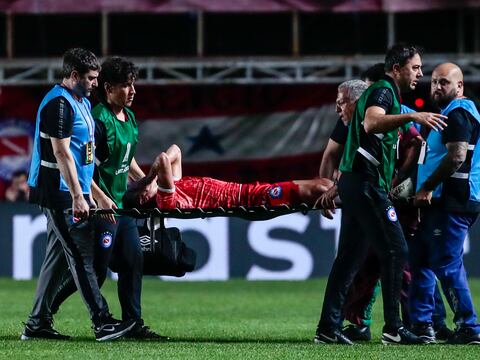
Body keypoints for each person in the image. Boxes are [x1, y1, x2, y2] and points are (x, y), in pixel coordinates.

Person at [314, 43, 448, 345]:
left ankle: (327, 327)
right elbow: (372, 123)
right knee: (397, 251)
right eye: (415, 68)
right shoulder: (384, 91)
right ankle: (394, 328)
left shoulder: (385, 93)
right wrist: (414, 117)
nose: (420, 74)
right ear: (397, 68)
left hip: (357, 182)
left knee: (349, 258)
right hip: (365, 184)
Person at [44, 57, 166, 339]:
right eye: (126, 85)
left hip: (121, 206)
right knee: (95, 272)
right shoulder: (98, 120)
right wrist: (97, 198)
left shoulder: (129, 116)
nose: (133, 90)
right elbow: (88, 167)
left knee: (133, 261)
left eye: (133, 84)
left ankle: (134, 323)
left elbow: (126, 157)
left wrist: (143, 179)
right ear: (108, 88)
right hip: (103, 209)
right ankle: (45, 312)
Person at [22, 48, 136, 341]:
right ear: (74, 76)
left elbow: (84, 156)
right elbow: (61, 154)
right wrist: (77, 196)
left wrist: (94, 193)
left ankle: (36, 324)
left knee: (57, 259)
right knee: (81, 256)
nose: (95, 83)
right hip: (58, 192)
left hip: (72, 191)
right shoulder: (58, 106)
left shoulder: (80, 102)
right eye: (91, 78)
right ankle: (102, 321)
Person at [410, 63, 480, 344]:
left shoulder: (460, 113)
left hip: (452, 201)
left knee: (447, 265)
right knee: (421, 261)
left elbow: (456, 157)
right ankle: (425, 325)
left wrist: (426, 186)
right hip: (440, 203)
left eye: (444, 83)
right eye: (434, 82)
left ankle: (470, 327)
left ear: (459, 86)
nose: (437, 87)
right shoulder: (448, 114)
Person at [123, 144, 332, 211]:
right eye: (139, 186)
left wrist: (146, 181)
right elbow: (162, 159)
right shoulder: (166, 200)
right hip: (253, 201)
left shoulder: (172, 188)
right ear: (143, 198)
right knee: (317, 190)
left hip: (251, 191)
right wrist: (149, 179)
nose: (141, 180)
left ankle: (342, 192)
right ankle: (350, 197)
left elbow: (175, 150)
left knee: (322, 184)